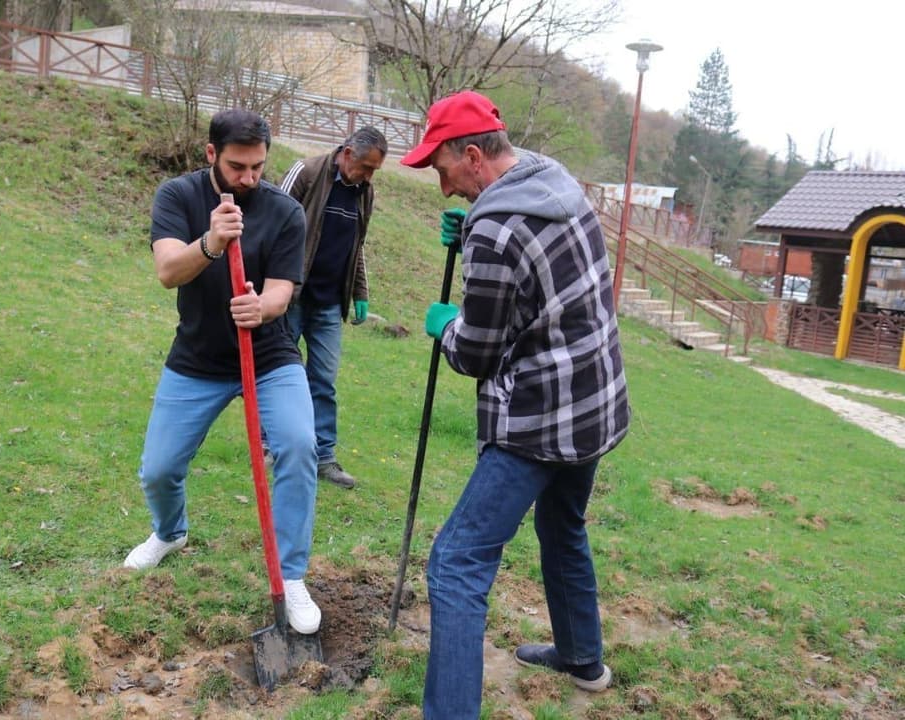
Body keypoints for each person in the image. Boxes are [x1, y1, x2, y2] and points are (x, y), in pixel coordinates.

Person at [400, 91, 630, 718]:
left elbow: (474, 351)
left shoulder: (497, 232)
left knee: (455, 563)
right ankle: (583, 659)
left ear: (473, 155)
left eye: (443, 171)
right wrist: (476, 224)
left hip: (540, 418)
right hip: (596, 402)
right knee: (562, 523)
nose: (443, 187)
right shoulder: (552, 178)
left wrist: (443, 325)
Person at [123, 108, 322, 636]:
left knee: (300, 446)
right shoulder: (177, 197)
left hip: (270, 357)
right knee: (159, 469)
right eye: (238, 166)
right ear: (211, 154)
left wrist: (266, 307)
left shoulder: (285, 212)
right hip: (199, 357)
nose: (250, 178)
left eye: (258, 166)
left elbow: (283, 287)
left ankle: (292, 574)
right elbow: (168, 271)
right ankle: (170, 533)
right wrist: (211, 243)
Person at [274, 127, 388, 489]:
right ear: (348, 153)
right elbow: (270, 223)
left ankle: (324, 457)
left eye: (375, 171)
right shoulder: (306, 172)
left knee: (323, 381)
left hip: (327, 304)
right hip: (291, 296)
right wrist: (272, 285)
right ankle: (270, 444)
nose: (369, 176)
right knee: (278, 375)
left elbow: (358, 246)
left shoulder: (364, 193)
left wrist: (360, 293)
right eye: (367, 167)